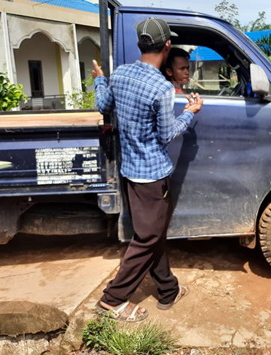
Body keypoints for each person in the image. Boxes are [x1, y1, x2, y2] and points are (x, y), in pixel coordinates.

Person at [92, 17, 203, 322]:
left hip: (130, 171)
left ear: (141, 44)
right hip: (153, 176)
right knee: (148, 238)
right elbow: (167, 135)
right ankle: (113, 299)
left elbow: (103, 105)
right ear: (167, 46)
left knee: (152, 233)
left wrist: (100, 78)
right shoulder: (161, 88)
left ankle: (168, 289)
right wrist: (190, 113)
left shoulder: (121, 75)